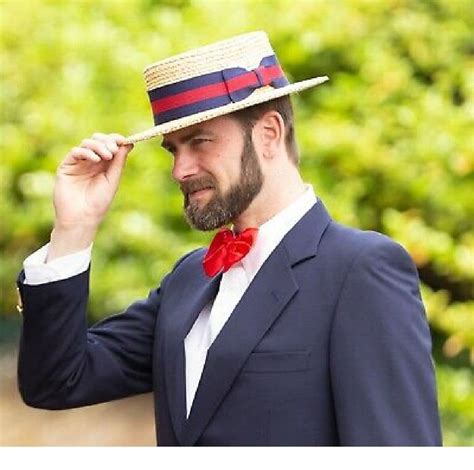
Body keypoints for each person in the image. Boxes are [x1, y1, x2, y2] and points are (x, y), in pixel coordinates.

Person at [16, 31, 442, 446]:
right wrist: (74, 228)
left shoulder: (361, 270)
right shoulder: (188, 280)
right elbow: (56, 381)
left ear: (269, 134)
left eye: (200, 142)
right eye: (173, 149)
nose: (180, 170)